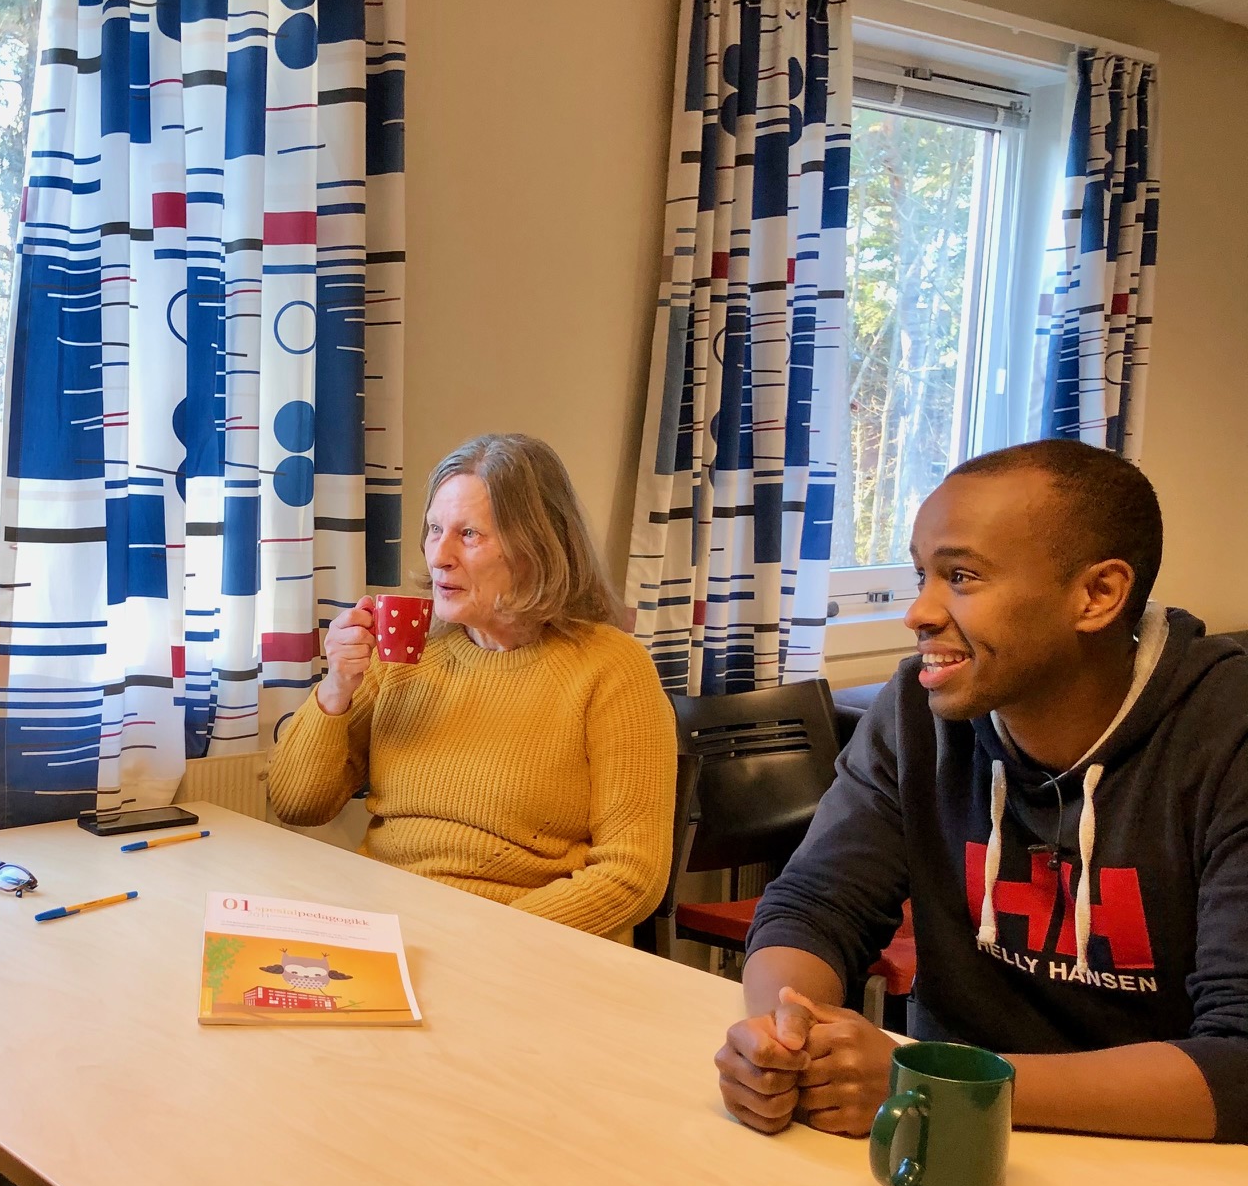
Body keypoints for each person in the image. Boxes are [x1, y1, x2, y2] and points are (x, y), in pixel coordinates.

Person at [716, 438, 1248, 1148]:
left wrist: (935, 1079)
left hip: (1165, 1160)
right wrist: (782, 1035)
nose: (919, 613)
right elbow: (815, 904)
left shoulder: (1227, 736)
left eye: (961, 577)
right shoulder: (916, 710)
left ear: (1097, 595)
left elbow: (1239, 1065)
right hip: (947, 1143)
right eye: (920, 576)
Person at [267, 433, 676, 942]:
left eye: (469, 534)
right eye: (434, 529)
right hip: (385, 929)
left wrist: (480, 939)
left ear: (537, 547)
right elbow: (297, 805)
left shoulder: (611, 668)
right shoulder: (406, 653)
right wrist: (336, 689)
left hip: (517, 948)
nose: (439, 555)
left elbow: (631, 876)